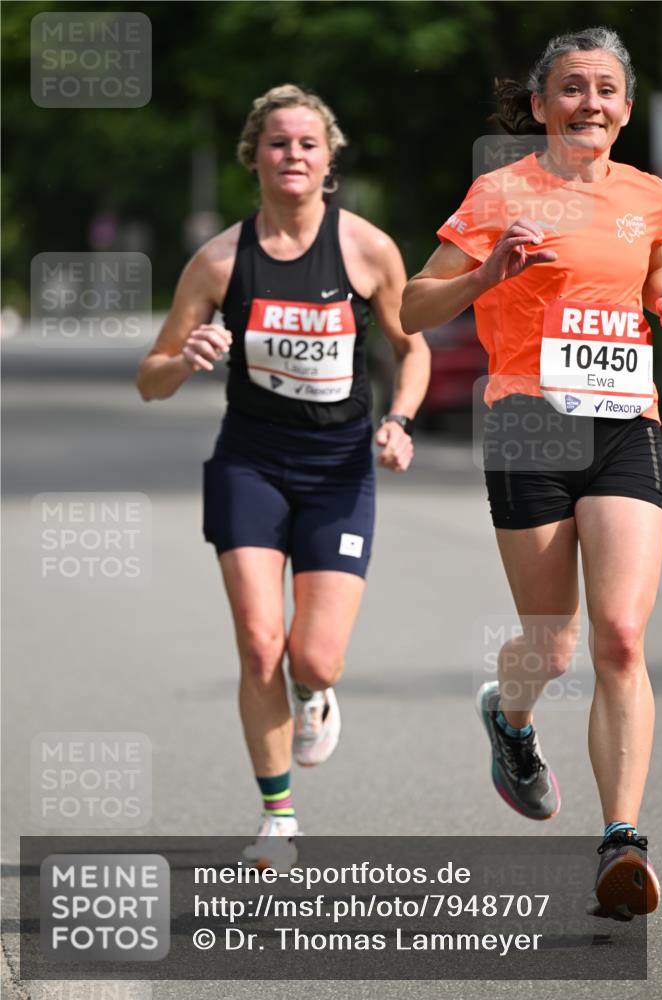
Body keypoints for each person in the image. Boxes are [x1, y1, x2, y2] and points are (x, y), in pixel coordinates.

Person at [401, 27, 662, 920]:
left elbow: (656, 288)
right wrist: (486, 273)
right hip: (529, 425)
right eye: (570, 89)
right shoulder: (499, 192)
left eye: (605, 91)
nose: (588, 104)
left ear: (625, 111)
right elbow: (409, 304)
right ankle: (509, 718)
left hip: (625, 420)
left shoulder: (650, 198)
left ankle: (619, 843)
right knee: (552, 647)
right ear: (543, 103)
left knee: (621, 639)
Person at [137, 84, 430, 868]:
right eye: (277, 143)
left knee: (313, 658)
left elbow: (411, 348)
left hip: (339, 469)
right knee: (261, 643)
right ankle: (278, 818)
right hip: (250, 463)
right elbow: (149, 377)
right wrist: (184, 358)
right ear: (253, 157)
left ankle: (316, 693)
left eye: (306, 143)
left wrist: (398, 420)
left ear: (327, 158)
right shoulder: (220, 260)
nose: (292, 155)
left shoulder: (367, 249)